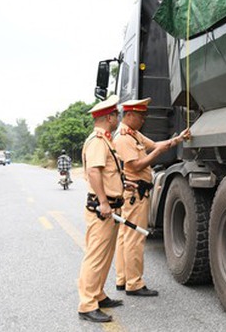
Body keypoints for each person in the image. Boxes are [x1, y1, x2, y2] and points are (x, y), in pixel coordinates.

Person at [113, 98, 191, 297]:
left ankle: (123, 279)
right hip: (135, 194)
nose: (143, 120)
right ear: (129, 115)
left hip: (135, 193)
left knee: (125, 237)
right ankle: (134, 283)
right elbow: (136, 165)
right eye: (140, 116)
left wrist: (178, 139)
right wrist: (156, 152)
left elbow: (156, 144)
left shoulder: (133, 134)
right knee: (134, 238)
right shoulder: (123, 138)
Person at [77, 95, 135, 323]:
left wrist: (123, 184)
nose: (118, 119)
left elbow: (109, 173)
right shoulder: (97, 141)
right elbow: (94, 172)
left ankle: (98, 295)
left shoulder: (106, 140)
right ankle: (87, 304)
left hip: (110, 207)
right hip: (102, 209)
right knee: (95, 257)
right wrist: (103, 201)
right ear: (108, 117)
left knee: (105, 256)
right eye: (116, 115)